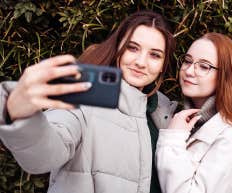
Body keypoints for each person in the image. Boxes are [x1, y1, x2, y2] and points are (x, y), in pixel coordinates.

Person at [0, 10, 176, 193]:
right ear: (118, 48)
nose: (141, 62)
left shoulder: (164, 113)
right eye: (133, 48)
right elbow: (42, 156)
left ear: (163, 64)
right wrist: (21, 115)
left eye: (155, 55)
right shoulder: (83, 98)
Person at [154, 32, 232, 193]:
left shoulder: (231, 137)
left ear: (225, 76)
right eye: (188, 61)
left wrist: (173, 138)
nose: (189, 71)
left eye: (204, 66)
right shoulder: (181, 118)